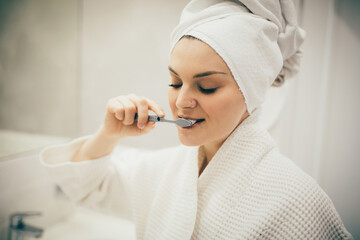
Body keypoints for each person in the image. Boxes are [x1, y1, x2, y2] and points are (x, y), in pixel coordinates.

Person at [40, 0, 353, 239]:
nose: (181, 101)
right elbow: (86, 188)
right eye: (175, 83)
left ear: (252, 91)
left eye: (207, 86)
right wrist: (109, 134)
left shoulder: (297, 201)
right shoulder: (165, 173)